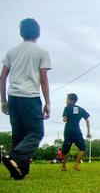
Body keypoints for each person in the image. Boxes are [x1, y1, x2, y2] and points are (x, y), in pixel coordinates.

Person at [0, 18, 51, 179]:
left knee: (19, 134)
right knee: (36, 132)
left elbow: (2, 77)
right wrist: (48, 102)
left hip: (13, 97)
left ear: (21, 33)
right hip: (30, 97)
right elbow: (43, 79)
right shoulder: (41, 53)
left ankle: (19, 172)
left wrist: (3, 100)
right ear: (38, 33)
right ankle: (14, 158)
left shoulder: (12, 52)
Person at [61, 93, 91, 171]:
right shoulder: (81, 109)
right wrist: (88, 132)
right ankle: (76, 164)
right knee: (82, 148)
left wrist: (65, 119)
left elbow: (65, 119)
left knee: (66, 149)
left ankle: (63, 166)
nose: (66, 101)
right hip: (76, 131)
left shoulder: (67, 108)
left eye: (67, 99)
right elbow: (87, 120)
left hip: (68, 130)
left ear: (72, 100)